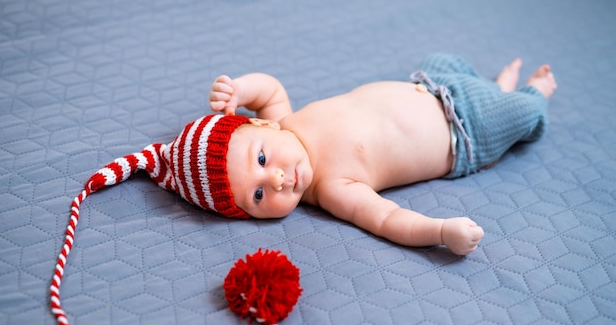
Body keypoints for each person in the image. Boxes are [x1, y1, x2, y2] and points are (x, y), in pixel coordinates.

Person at [86, 53, 556, 256]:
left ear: (259, 124)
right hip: (464, 132)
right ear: (251, 217)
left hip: (429, 85)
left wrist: (237, 89)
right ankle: (532, 93)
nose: (277, 182)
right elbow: (389, 219)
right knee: (514, 114)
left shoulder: (283, 120)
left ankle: (497, 85)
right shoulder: (331, 189)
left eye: (263, 162)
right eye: (257, 195)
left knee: (444, 57)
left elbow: (267, 87)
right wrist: (440, 232)